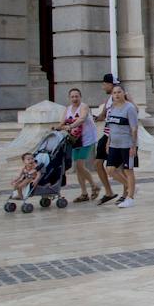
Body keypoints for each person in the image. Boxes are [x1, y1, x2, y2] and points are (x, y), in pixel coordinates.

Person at [58, 88, 98, 202]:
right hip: (75, 140)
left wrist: (70, 126)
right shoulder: (68, 109)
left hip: (87, 139)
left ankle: (94, 185)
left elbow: (82, 119)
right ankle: (84, 193)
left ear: (80, 97)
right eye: (72, 97)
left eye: (77, 96)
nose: (75, 99)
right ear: (69, 98)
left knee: (80, 165)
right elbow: (62, 122)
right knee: (77, 167)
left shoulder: (84, 107)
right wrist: (58, 127)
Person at [103, 84, 139, 208]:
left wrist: (133, 146)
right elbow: (110, 127)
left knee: (128, 170)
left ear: (124, 93)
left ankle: (130, 197)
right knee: (110, 170)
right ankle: (132, 187)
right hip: (114, 144)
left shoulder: (130, 108)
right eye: (114, 93)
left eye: (119, 92)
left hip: (127, 144)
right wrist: (108, 141)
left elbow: (134, 128)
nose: (117, 95)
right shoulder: (112, 108)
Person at [91, 74, 118, 205]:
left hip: (113, 135)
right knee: (98, 163)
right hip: (106, 134)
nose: (103, 87)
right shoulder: (109, 99)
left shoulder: (118, 97)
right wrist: (94, 118)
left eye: (104, 84)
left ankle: (129, 190)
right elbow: (103, 115)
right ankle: (109, 192)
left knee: (118, 168)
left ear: (110, 84)